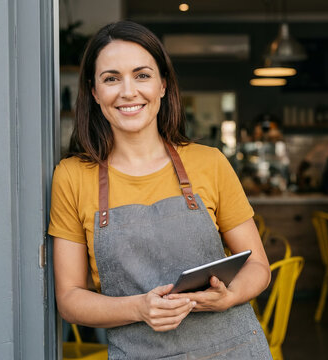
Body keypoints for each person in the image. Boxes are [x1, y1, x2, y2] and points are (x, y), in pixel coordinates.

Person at [48, 21, 272, 359]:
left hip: (235, 350)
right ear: (94, 92)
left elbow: (258, 267)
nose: (128, 91)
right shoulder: (72, 177)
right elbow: (70, 299)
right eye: (111, 78)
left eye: (142, 75)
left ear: (163, 85)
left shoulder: (209, 162)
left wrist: (229, 294)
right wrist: (139, 308)